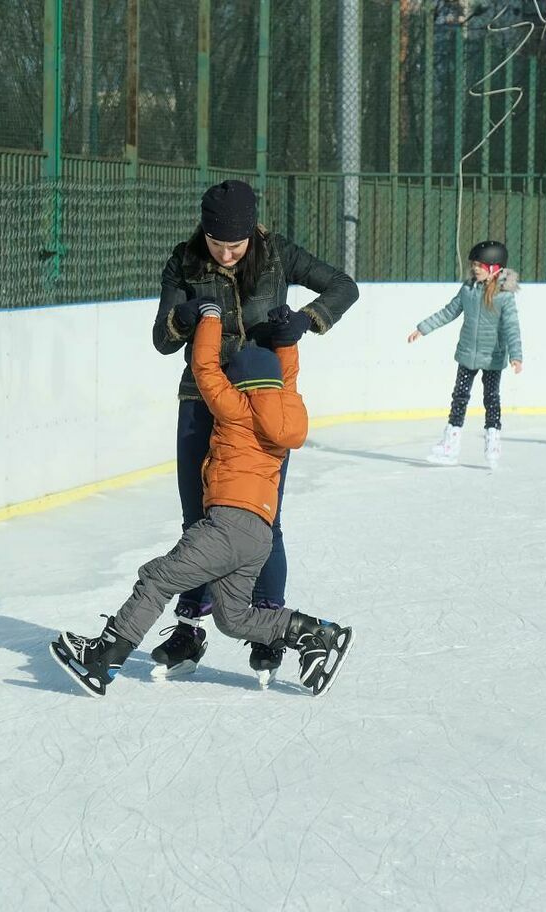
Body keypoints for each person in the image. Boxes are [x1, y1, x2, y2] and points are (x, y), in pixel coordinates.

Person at [50, 301, 354, 697]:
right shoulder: (287, 417)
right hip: (259, 534)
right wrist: (286, 346)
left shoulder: (235, 412)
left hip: (226, 525)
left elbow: (205, 370)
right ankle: (315, 634)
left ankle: (104, 658)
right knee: (234, 618)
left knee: (158, 578)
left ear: (240, 384)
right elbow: (288, 382)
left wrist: (210, 316)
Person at [150, 179, 358, 683]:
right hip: (201, 401)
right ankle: (188, 627)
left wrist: (305, 322)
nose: (225, 252)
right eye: (217, 242)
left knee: (264, 522)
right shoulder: (184, 260)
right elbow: (161, 338)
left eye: (235, 244)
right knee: (198, 520)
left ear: (250, 233)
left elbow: (343, 287)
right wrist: (182, 318)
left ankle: (267, 626)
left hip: (264, 408)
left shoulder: (278, 253)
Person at [407, 240, 522, 469]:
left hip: (493, 356)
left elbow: (512, 327)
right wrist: (423, 328)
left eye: (480, 265)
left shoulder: (504, 296)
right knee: (459, 397)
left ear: (494, 268)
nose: (475, 269)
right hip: (468, 353)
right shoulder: (468, 289)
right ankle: (451, 445)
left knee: (491, 399)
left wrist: (516, 356)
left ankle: (493, 442)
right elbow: (449, 311)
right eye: (474, 265)